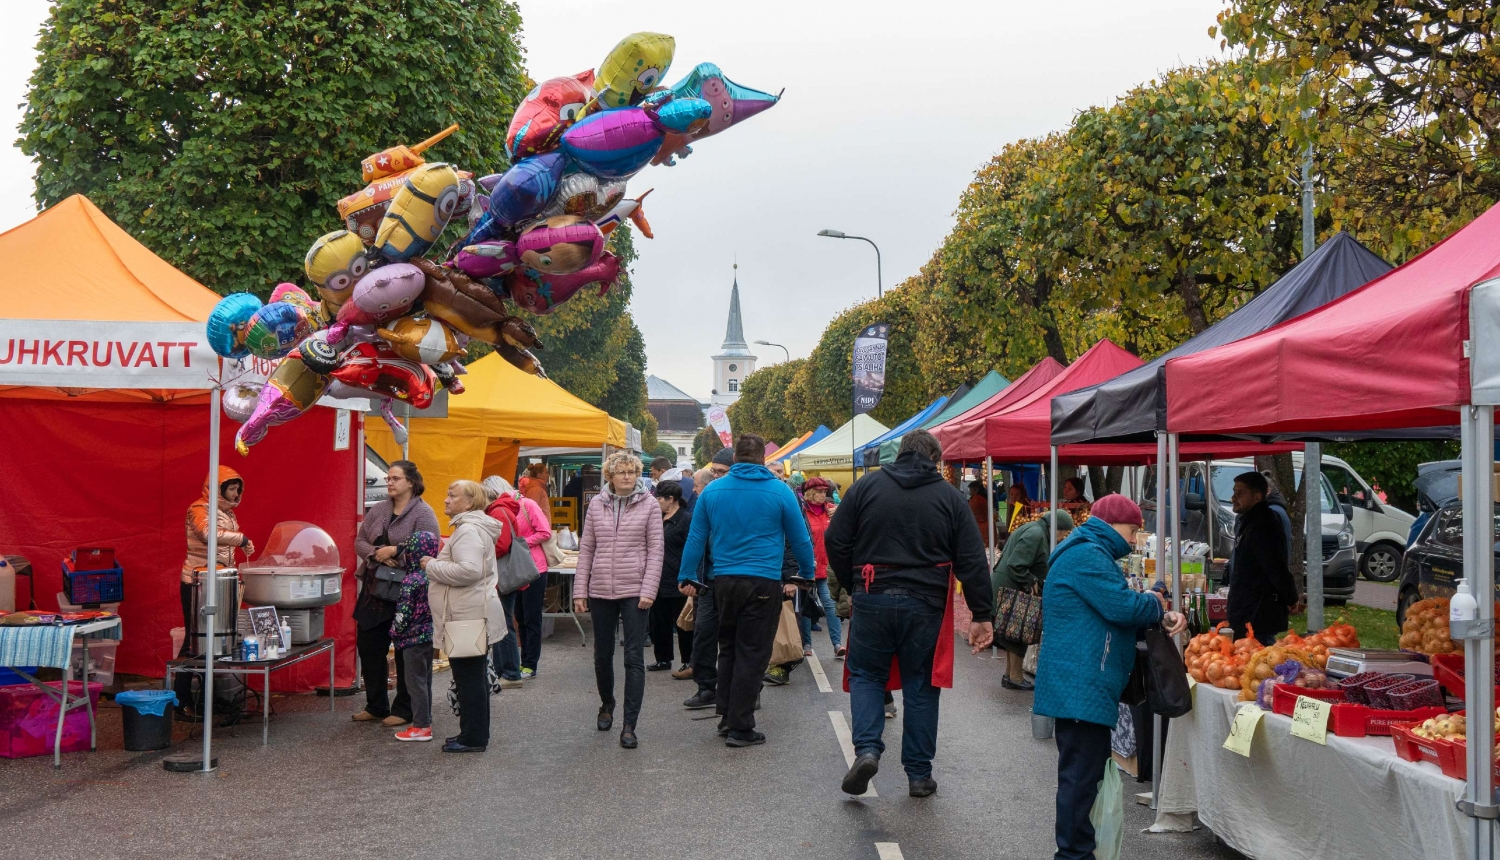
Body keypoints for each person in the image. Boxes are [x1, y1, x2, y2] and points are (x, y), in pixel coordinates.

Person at [824, 429, 995, 798]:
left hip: (873, 594)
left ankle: (867, 749)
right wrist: (982, 612)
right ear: (935, 459)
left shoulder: (865, 489)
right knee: (921, 685)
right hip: (926, 602)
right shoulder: (950, 498)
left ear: (899, 453)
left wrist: (856, 577)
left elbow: (835, 539)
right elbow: (971, 559)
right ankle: (919, 775)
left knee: (867, 676)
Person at [1033, 494, 1186, 860]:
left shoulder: (1087, 551)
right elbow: (1123, 606)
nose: (1133, 539)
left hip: (1080, 683)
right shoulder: (1088, 555)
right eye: (1132, 530)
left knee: (1082, 775)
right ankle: (1072, 854)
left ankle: (1076, 851)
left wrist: (1152, 605)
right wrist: (1156, 600)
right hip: (1079, 685)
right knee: (1080, 778)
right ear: (1114, 524)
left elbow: (1110, 610)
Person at [678, 434, 814, 748]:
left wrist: (686, 575)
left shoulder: (712, 491)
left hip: (722, 581)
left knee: (728, 648)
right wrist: (805, 574)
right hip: (763, 580)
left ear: (736, 458)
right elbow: (800, 539)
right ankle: (741, 726)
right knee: (753, 653)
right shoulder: (779, 491)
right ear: (762, 459)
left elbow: (696, 539)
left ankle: (726, 715)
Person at [574, 452, 665, 749]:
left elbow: (656, 550)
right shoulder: (596, 504)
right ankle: (606, 703)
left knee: (634, 657)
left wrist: (649, 589)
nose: (627, 477)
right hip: (601, 588)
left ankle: (629, 724)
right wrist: (580, 591)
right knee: (602, 655)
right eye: (621, 472)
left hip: (635, 589)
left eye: (632, 472)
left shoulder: (650, 504)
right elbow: (586, 548)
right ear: (609, 476)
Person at [352, 460, 440, 726]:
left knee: (406, 649)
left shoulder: (423, 513)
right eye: (388, 478)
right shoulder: (379, 509)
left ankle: (404, 709)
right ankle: (376, 704)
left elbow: (430, 546)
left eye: (395, 478)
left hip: (406, 591)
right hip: (375, 588)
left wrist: (397, 551)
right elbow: (359, 540)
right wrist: (375, 554)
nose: (389, 482)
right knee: (368, 645)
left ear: (411, 483)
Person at [421, 480, 506, 753]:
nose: (446, 499)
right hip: (470, 614)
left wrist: (431, 565)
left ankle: (473, 738)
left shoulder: (468, 530)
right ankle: (473, 733)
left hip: (466, 617)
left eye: (452, 495)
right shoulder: (473, 527)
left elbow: (469, 571)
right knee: (474, 678)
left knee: (470, 679)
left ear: (469, 502)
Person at [178, 466, 254, 718]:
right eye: (231, 488)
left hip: (218, 582)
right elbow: (207, 533)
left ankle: (205, 699)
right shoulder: (199, 508)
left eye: (237, 489)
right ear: (217, 488)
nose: (235, 493)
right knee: (195, 640)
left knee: (213, 641)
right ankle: (181, 700)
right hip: (197, 582)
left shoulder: (226, 513)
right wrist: (241, 538)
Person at [483, 476, 553, 688]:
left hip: (532, 568)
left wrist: (519, 543)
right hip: (511, 570)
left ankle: (529, 664)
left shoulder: (526, 504)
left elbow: (545, 532)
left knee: (531, 618)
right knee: (518, 617)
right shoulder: (502, 508)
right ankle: (517, 664)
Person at [992, 510, 1073, 691]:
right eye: (1063, 532)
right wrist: (1033, 581)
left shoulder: (1034, 529)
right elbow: (1016, 564)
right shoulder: (1036, 534)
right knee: (1019, 632)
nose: (1063, 537)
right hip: (1012, 586)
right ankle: (1015, 677)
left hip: (1008, 586)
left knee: (1011, 633)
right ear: (1056, 528)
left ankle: (1010, 675)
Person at [1228, 471, 1301, 644]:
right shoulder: (1249, 522)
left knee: (1259, 660)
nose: (1233, 497)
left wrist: (1291, 598)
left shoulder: (1264, 525)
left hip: (1258, 613)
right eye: (1234, 492)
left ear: (1257, 496)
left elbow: (1276, 568)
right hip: (1247, 610)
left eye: (1240, 493)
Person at [681, 465, 727, 710]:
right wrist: (690, 577)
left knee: (736, 638)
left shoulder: (721, 501)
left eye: (696, 485)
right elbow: (696, 542)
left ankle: (745, 690)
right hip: (706, 582)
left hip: (730, 579)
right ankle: (707, 687)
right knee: (704, 634)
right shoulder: (701, 505)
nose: (694, 489)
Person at [390, 531, 440, 741]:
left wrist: (394, 631)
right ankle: (424, 720)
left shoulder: (411, 580)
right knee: (425, 680)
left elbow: (404, 612)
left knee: (414, 681)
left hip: (412, 638)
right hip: (430, 635)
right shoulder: (435, 576)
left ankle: (421, 726)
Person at [795, 476, 843, 659]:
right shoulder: (802, 514)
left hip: (827, 567)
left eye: (825, 492)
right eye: (819, 492)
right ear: (809, 493)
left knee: (830, 606)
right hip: (808, 566)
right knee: (807, 606)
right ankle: (807, 644)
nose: (823, 495)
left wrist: (838, 513)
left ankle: (837, 644)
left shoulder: (831, 511)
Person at [650, 481, 695, 676]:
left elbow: (691, 550)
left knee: (682, 623)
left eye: (659, 498)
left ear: (671, 499)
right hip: (656, 578)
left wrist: (689, 577)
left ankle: (688, 661)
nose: (656, 501)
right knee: (658, 622)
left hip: (678, 578)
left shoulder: (686, 520)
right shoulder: (656, 517)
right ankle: (663, 658)